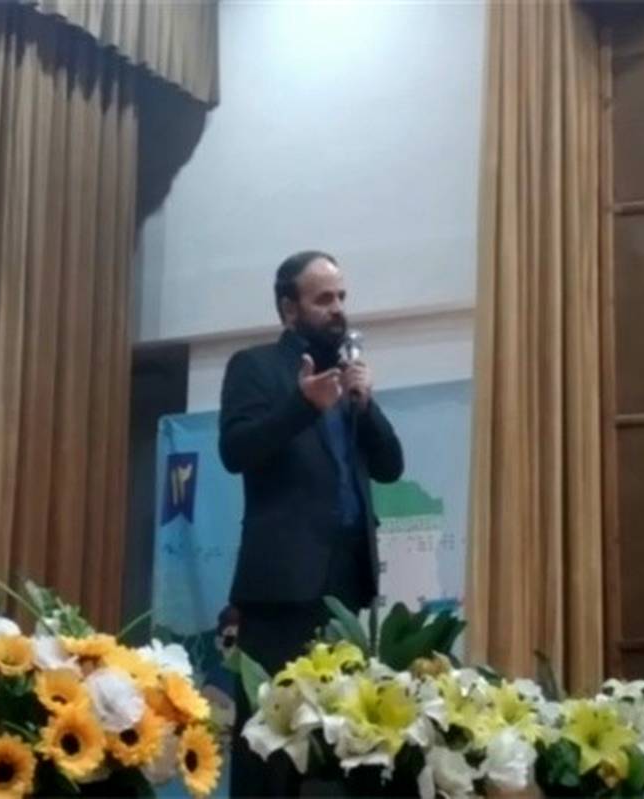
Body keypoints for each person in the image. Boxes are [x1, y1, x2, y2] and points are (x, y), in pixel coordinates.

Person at [219, 250, 404, 796]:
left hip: (347, 588)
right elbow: (235, 450)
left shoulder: (348, 383)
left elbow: (391, 467)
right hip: (280, 594)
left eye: (342, 297)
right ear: (289, 309)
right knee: (270, 753)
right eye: (324, 299)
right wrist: (302, 404)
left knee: (346, 750)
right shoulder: (254, 367)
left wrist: (364, 403)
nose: (338, 308)